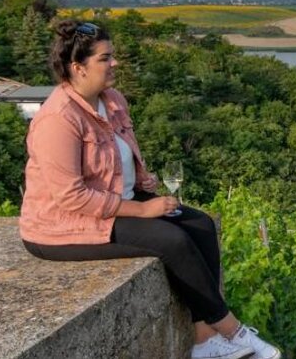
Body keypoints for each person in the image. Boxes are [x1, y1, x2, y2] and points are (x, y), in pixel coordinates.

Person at [19, 20, 281, 359]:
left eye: (112, 56)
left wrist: (147, 187)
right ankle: (232, 330)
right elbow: (71, 196)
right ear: (77, 68)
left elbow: (119, 159)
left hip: (117, 201)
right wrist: (144, 210)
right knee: (172, 240)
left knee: (199, 225)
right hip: (63, 225)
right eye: (105, 58)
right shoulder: (58, 118)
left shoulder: (111, 100)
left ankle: (202, 339)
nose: (115, 63)